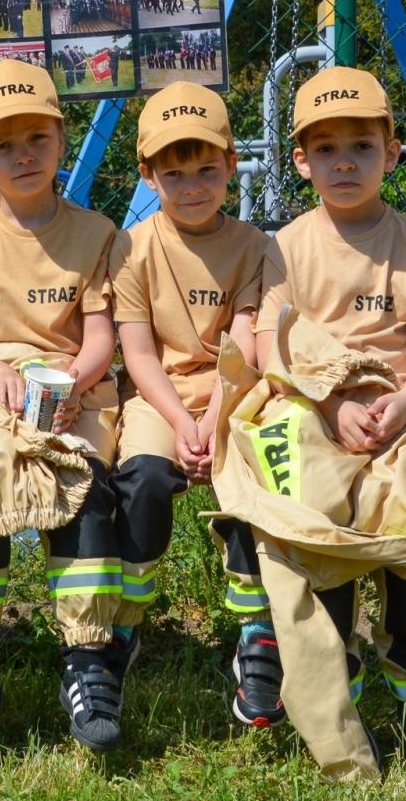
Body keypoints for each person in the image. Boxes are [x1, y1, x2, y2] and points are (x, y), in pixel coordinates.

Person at [257, 66, 406, 762]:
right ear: (301, 161)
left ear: (392, 151)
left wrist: (403, 405)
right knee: (318, 524)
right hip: (315, 412)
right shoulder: (283, 247)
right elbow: (271, 345)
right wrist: (332, 401)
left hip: (403, 413)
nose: (344, 162)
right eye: (325, 149)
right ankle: (335, 702)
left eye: (361, 146)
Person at [0, 59, 125, 754]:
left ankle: (88, 659)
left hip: (74, 393)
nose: (23, 155)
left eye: (37, 137)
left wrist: (73, 381)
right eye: (2, 144)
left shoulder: (96, 232)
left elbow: (100, 335)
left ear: (62, 138)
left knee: (85, 490)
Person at [106, 82, 279, 726]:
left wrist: (214, 419)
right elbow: (138, 354)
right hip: (160, 399)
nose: (192, 187)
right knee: (145, 478)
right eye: (174, 174)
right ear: (147, 175)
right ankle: (126, 619)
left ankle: (258, 633)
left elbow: (246, 345)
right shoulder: (131, 249)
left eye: (207, 169)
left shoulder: (256, 246)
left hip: (234, 394)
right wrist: (182, 421)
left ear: (232, 165)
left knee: (256, 474)